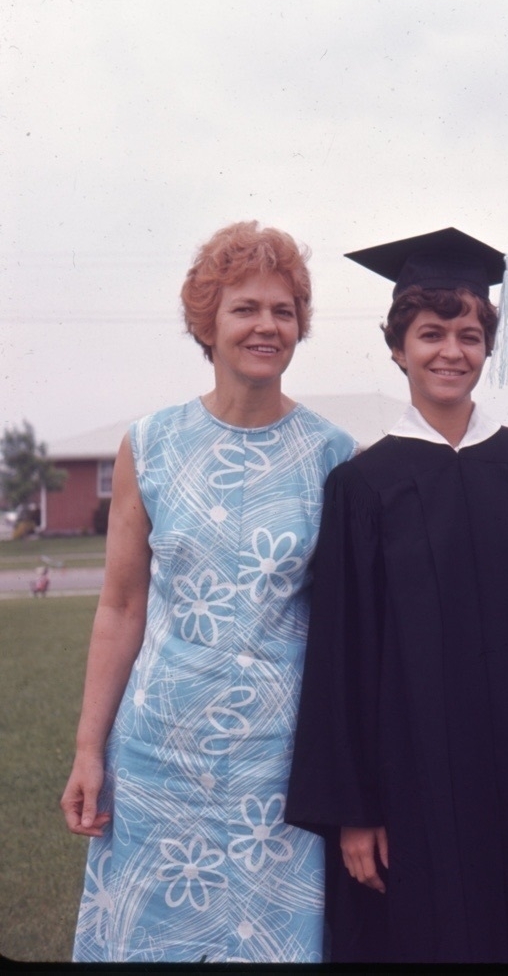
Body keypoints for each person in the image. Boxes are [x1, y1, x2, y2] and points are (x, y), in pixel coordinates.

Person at [286, 227, 508, 963]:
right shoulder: (363, 487)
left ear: (491, 345)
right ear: (397, 347)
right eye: (430, 333)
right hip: (414, 787)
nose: (450, 351)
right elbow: (342, 657)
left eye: (468, 333)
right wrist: (355, 813)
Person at [60, 221, 356, 963]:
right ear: (208, 322)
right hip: (159, 754)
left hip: (277, 767)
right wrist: (89, 748)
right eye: (246, 308)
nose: (267, 326)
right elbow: (122, 605)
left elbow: (344, 629)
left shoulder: (334, 456)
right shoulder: (150, 444)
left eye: (284, 311)